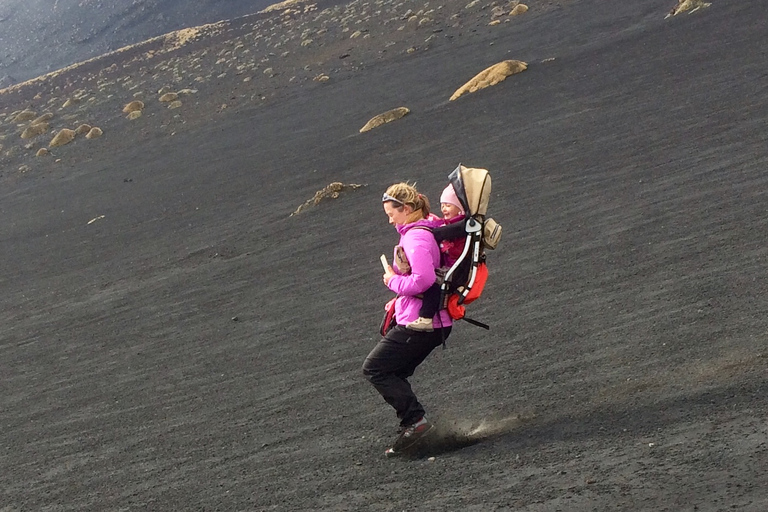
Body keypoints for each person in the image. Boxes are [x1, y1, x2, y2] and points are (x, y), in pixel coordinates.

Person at [363, 182, 453, 456]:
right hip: (432, 322)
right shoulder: (426, 229)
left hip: (424, 325)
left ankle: (417, 424)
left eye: (391, 213)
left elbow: (424, 280)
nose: (389, 220)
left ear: (405, 209)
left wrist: (393, 282)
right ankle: (416, 426)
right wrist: (400, 298)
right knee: (392, 372)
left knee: (376, 369)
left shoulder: (415, 237)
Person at [406, 183, 467, 331]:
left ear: (460, 208)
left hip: (455, 268)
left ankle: (426, 318)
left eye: (448, 205)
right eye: (442, 205)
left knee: (433, 284)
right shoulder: (455, 224)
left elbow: (447, 237)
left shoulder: (461, 226)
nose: (443, 209)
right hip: (454, 266)